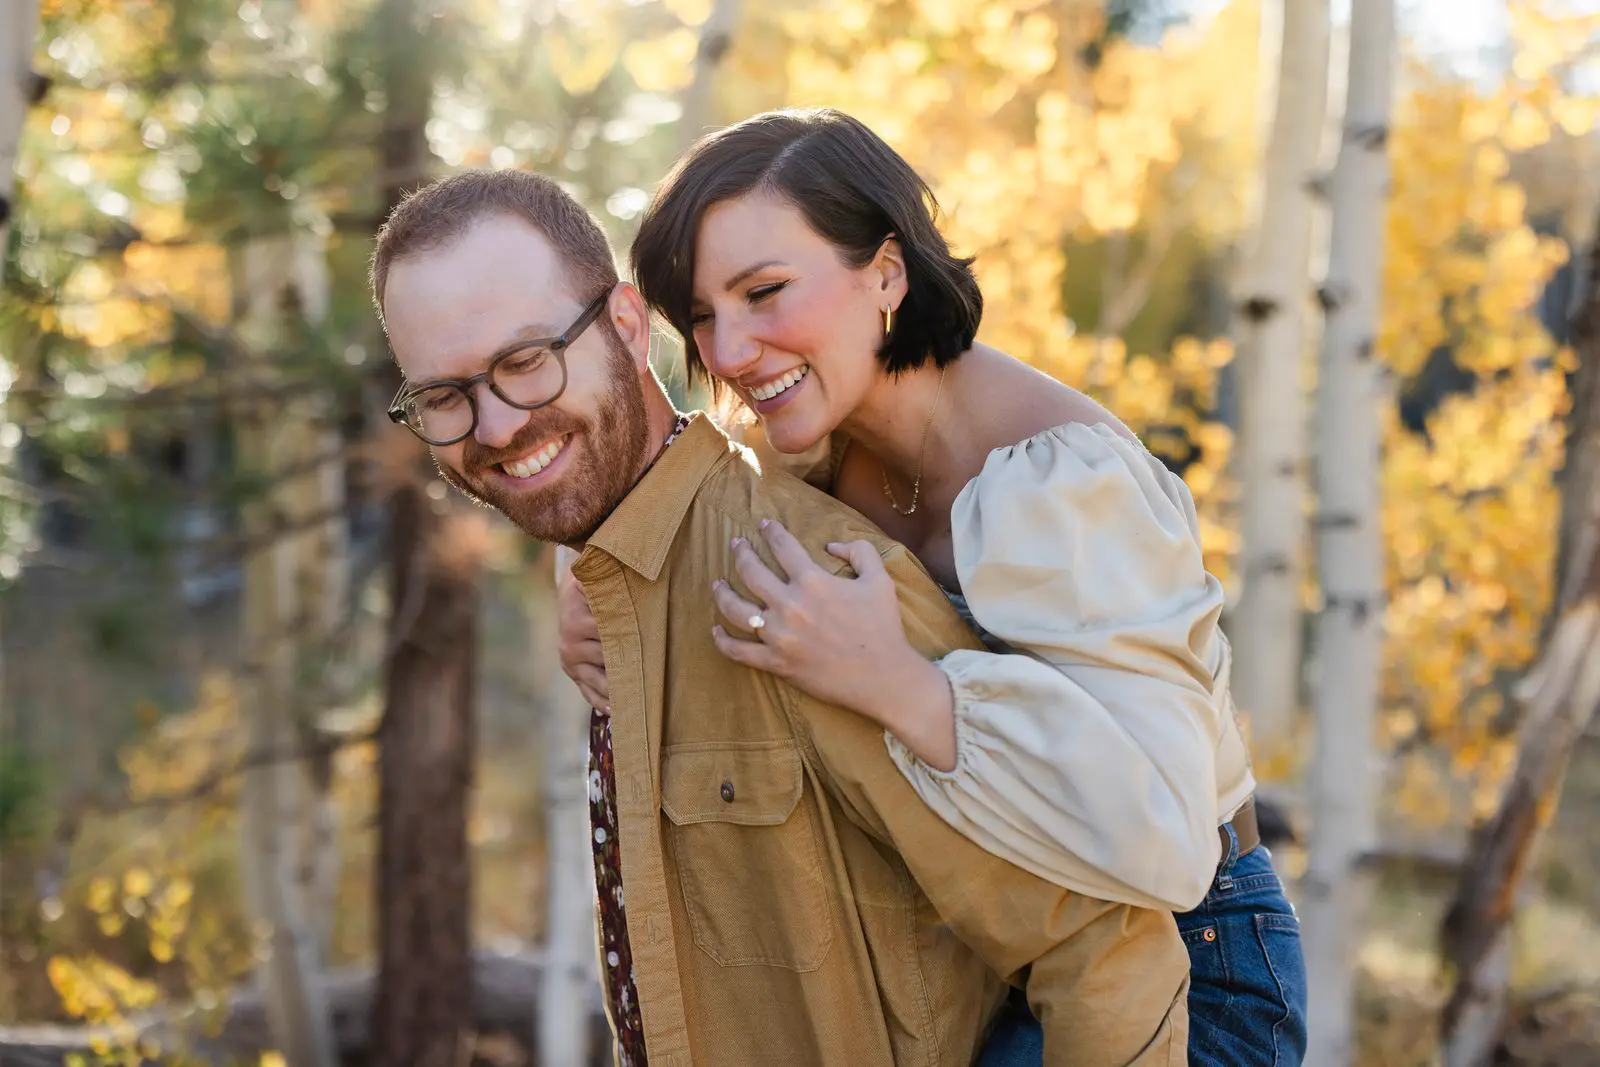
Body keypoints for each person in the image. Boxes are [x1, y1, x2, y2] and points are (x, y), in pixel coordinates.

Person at [371, 168, 1192, 1067]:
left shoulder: (811, 590)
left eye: (526, 362)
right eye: (444, 397)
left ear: (628, 326)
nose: (493, 427)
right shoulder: (617, 594)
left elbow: (1108, 952)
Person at [557, 108, 1308, 1067]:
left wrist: (900, 683)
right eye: (703, 316)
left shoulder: (1063, 482)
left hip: (1194, 959)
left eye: (766, 291)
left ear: (886, 272)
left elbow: (1166, 842)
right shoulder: (815, 445)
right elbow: (664, 481)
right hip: (1004, 954)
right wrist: (575, 581)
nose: (733, 352)